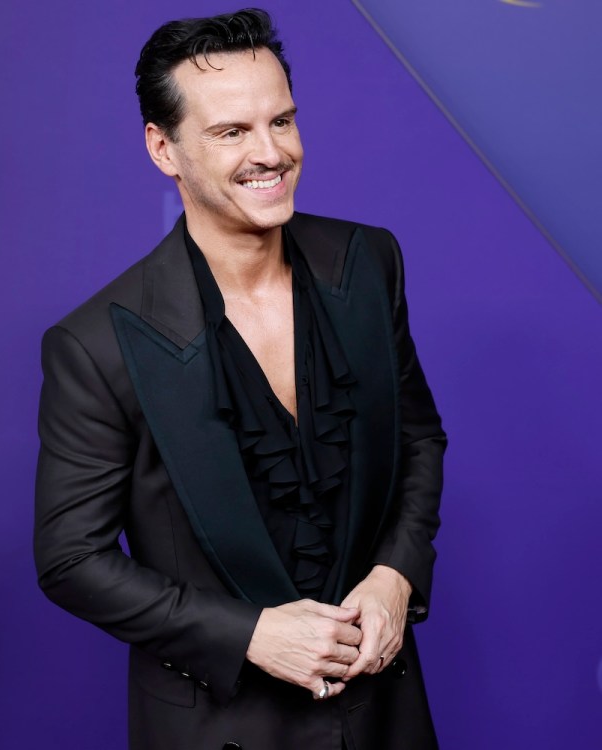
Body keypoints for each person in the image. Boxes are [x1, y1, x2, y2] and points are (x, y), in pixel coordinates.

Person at [34, 8, 446, 750]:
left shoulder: (367, 261)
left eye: (282, 121)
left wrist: (396, 576)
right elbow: (72, 559)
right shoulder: (96, 343)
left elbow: (418, 437)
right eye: (231, 132)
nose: (272, 153)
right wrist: (249, 633)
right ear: (164, 148)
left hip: (386, 715)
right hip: (219, 726)